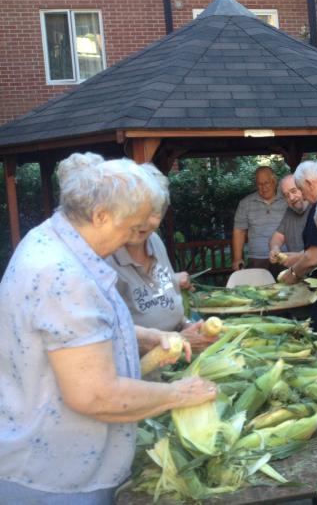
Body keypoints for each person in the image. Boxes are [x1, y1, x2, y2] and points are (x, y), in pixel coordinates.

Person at [0, 153, 216, 504]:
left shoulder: (52, 241)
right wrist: (180, 394)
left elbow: (77, 336)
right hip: (57, 476)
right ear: (100, 215)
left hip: (58, 463)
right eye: (131, 228)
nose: (134, 238)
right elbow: (94, 394)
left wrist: (149, 337)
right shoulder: (63, 273)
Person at [107, 164, 218, 353]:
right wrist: (179, 339)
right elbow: (110, 336)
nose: (144, 221)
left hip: (175, 356)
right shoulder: (105, 259)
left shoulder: (155, 241)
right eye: (137, 210)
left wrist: (187, 325)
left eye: (155, 212)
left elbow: (166, 295)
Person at [277, 160, 317, 285]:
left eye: (300, 189)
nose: (303, 197)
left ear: (309, 184)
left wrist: (293, 273)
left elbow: (314, 257)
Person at [232, 166, 287, 274]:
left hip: (284, 256)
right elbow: (239, 231)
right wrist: (237, 258)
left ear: (274, 181)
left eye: (266, 183)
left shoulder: (287, 200)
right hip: (257, 259)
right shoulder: (245, 203)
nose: (263, 187)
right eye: (259, 184)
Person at [268, 173, 310, 269]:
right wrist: (275, 249)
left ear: (303, 188)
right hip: (296, 272)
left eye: (294, 191)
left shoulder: (316, 209)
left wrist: (299, 257)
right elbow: (277, 237)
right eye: (286, 195)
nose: (291, 198)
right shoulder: (290, 211)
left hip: (316, 272)